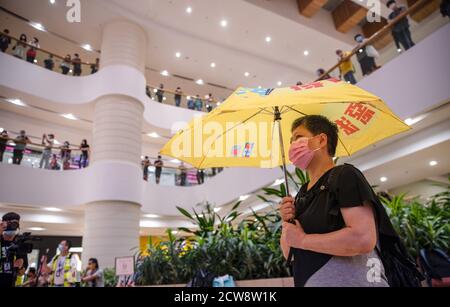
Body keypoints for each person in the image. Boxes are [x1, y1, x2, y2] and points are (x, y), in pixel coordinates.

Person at [278, 115, 394, 287]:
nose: (292, 146)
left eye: (298, 137)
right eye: (290, 141)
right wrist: (286, 222)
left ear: (321, 140)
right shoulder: (302, 194)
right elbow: (291, 253)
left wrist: (302, 239)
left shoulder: (344, 175)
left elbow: (363, 239)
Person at [0, 212, 28, 287]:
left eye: (15, 224)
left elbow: (21, 273)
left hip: (12, 283)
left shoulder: (19, 244)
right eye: (10, 223)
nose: (13, 226)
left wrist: (20, 267)